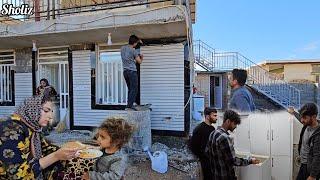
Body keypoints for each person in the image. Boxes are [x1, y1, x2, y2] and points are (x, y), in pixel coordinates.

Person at [0, 96, 79, 179]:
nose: (51, 117)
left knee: (75, 167)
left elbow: (45, 149)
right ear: (32, 109)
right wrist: (56, 156)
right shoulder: (10, 128)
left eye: (51, 111)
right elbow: (15, 175)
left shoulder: (33, 127)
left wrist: (69, 152)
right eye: (46, 111)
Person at [206, 110, 260, 180]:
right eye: (234, 124)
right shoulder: (225, 137)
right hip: (226, 176)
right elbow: (233, 161)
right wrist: (250, 161)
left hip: (216, 176)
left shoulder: (212, 133)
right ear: (228, 121)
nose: (235, 126)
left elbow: (207, 152)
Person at [289, 103, 320, 180]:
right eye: (302, 117)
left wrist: (312, 176)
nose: (302, 120)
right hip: (303, 164)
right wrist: (293, 112)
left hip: (309, 168)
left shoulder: (318, 135)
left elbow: (318, 156)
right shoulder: (307, 124)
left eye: (305, 118)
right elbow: (301, 118)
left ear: (314, 117)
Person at [189, 107, 217, 180]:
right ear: (207, 116)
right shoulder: (200, 129)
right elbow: (193, 145)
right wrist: (202, 156)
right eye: (214, 116)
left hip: (210, 158)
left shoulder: (212, 129)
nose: (216, 118)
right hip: (204, 159)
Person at [121, 35, 143, 110]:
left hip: (125, 72)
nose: (136, 44)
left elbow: (127, 58)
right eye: (136, 43)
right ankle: (130, 105)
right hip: (132, 72)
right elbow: (139, 62)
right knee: (134, 89)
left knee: (130, 89)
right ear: (134, 43)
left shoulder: (122, 48)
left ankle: (130, 103)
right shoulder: (133, 50)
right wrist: (141, 57)